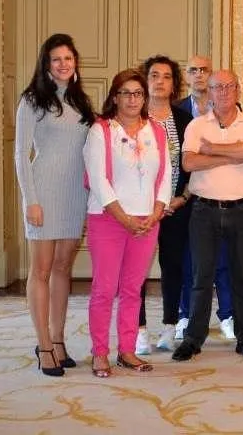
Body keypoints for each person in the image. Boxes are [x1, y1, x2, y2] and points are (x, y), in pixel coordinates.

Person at [14, 33, 95, 377]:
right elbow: (21, 153)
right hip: (44, 193)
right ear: (46, 66)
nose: (63, 64)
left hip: (75, 195)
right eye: (56, 59)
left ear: (75, 63)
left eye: (68, 58)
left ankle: (60, 339)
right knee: (42, 271)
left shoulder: (81, 102)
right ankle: (43, 344)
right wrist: (31, 200)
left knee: (64, 269)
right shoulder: (32, 100)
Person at [84, 68, 172, 377]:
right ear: (115, 97)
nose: (133, 99)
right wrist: (124, 218)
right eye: (126, 93)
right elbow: (98, 180)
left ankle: (127, 350)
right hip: (108, 219)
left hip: (147, 221)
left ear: (144, 98)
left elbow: (165, 178)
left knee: (133, 289)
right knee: (104, 290)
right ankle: (99, 353)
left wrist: (157, 212)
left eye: (138, 94)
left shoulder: (157, 131)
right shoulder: (101, 130)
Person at [172, 70, 243, 362]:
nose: (223, 92)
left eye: (228, 86)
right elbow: (188, 162)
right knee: (201, 278)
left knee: (240, 279)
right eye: (216, 87)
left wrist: (211, 150)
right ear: (208, 92)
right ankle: (193, 339)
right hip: (203, 211)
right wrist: (230, 155)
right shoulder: (197, 125)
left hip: (242, 209)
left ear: (238, 89)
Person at [135, 55, 194, 354]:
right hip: (141, 210)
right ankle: (140, 331)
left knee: (173, 267)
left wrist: (182, 197)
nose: (160, 81)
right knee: (137, 271)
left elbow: (192, 166)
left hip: (175, 208)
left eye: (167, 76)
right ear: (145, 81)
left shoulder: (185, 120)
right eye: (154, 75)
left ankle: (170, 327)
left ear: (174, 84)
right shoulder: (134, 116)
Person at [175, 55, 235, 342]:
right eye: (193, 70)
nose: (199, 75)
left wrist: (210, 156)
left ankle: (227, 316)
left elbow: (236, 155)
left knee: (223, 259)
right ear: (186, 76)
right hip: (183, 198)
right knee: (189, 260)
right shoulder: (175, 111)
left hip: (219, 193)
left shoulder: (231, 110)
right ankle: (185, 315)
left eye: (204, 70)